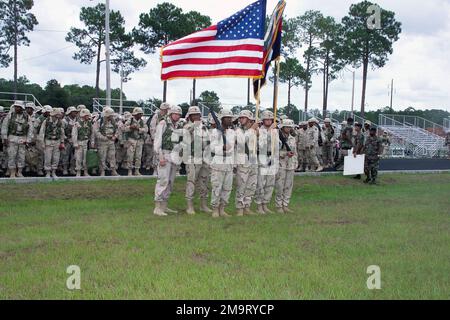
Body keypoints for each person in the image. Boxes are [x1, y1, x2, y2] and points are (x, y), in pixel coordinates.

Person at [153, 105, 184, 216]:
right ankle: (157, 207)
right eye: (175, 114)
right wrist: (160, 157)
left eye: (179, 114)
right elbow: (157, 141)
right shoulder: (163, 123)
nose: (177, 116)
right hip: (164, 154)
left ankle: (164, 206)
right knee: (163, 180)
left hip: (174, 156)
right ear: (171, 114)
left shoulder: (179, 125)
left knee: (170, 182)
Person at [183, 106, 211, 215]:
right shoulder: (186, 127)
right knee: (191, 181)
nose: (196, 117)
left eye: (197, 115)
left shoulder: (204, 127)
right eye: (193, 115)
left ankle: (203, 205)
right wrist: (194, 126)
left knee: (204, 182)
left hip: (204, 158)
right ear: (190, 116)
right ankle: (189, 206)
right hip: (192, 158)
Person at [209, 110, 236, 218]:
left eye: (230, 118)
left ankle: (222, 208)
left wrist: (234, 164)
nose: (229, 119)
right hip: (219, 161)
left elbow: (232, 148)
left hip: (228, 161)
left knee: (227, 187)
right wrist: (221, 148)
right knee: (217, 186)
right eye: (227, 118)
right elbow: (212, 148)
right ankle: (215, 209)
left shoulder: (232, 132)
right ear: (222, 119)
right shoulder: (215, 132)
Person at [235, 110, 259, 216]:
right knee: (242, 185)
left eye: (243, 118)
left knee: (251, 185)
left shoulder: (255, 131)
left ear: (249, 119)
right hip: (243, 161)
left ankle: (247, 206)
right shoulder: (238, 131)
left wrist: (256, 131)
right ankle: (240, 208)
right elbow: (241, 141)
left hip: (253, 160)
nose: (241, 119)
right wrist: (252, 130)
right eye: (240, 118)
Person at [1, 101, 33, 178]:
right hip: (12, 137)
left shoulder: (27, 117)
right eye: (15, 107)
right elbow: (4, 127)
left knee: (21, 156)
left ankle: (19, 172)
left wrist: (28, 140)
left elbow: (30, 129)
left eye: (18, 107)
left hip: (22, 138)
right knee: (12, 155)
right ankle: (12, 172)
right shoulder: (10, 115)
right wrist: (4, 138)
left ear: (22, 108)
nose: (16, 108)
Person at [255, 110, 278, 214]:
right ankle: (259, 205)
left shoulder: (275, 131)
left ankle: (265, 204)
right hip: (263, 157)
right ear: (263, 120)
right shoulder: (259, 130)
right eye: (266, 119)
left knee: (270, 183)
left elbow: (278, 144)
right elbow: (261, 144)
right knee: (261, 183)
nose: (268, 121)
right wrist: (269, 132)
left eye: (270, 119)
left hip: (272, 158)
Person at [275, 119, 298, 213]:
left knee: (288, 185)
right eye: (286, 127)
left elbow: (295, 151)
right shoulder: (278, 138)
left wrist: (296, 161)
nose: (288, 129)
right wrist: (285, 154)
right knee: (280, 185)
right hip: (281, 163)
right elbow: (275, 151)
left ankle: (285, 204)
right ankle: (278, 205)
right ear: (282, 127)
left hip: (290, 164)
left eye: (290, 127)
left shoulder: (292, 138)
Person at [38, 108, 65, 178]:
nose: (58, 117)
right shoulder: (46, 121)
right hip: (48, 141)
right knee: (48, 158)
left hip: (57, 141)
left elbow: (62, 133)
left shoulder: (60, 122)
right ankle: (47, 172)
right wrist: (42, 143)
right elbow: (42, 132)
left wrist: (62, 142)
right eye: (57, 115)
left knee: (56, 158)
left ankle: (53, 172)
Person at [95, 107, 119, 177]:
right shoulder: (99, 121)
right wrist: (104, 138)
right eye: (111, 115)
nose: (112, 116)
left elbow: (117, 130)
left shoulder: (113, 122)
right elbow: (96, 132)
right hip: (102, 142)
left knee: (112, 156)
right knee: (102, 157)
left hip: (111, 141)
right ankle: (102, 171)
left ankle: (113, 170)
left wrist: (115, 137)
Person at [123, 107, 148, 176]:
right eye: (138, 114)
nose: (139, 115)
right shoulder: (129, 120)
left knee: (138, 156)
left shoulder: (143, 121)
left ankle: (137, 170)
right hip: (131, 140)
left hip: (139, 140)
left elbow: (146, 129)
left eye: (140, 114)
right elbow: (124, 129)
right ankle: (130, 171)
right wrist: (130, 127)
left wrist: (139, 129)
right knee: (130, 156)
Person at [72, 108, 95, 177]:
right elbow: (74, 134)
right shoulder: (77, 123)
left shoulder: (89, 123)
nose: (88, 117)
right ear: (84, 116)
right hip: (79, 143)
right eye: (87, 115)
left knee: (85, 158)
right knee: (78, 158)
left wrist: (92, 142)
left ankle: (85, 171)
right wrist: (75, 143)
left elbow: (92, 133)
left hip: (86, 142)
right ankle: (78, 171)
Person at [62, 106, 79, 175]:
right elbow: (62, 131)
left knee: (74, 156)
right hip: (67, 140)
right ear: (70, 113)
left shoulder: (77, 120)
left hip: (76, 140)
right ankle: (65, 169)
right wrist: (66, 139)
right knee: (65, 155)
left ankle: (72, 168)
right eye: (74, 112)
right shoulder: (64, 120)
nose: (75, 113)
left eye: (75, 112)